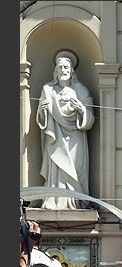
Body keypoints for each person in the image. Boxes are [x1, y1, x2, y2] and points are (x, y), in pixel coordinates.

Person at [36, 50, 95, 209]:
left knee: (74, 169)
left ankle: (74, 202)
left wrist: (82, 109)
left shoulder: (81, 90)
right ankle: (55, 200)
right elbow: (42, 119)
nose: (63, 70)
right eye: (60, 67)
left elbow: (90, 118)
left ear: (71, 71)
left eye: (66, 68)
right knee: (57, 167)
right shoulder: (48, 90)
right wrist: (42, 111)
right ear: (56, 71)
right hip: (56, 136)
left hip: (75, 137)